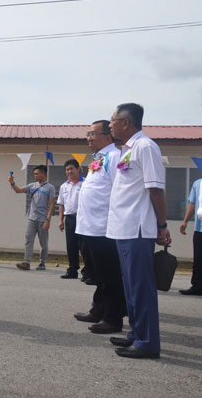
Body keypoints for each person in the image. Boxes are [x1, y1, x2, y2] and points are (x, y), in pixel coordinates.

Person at [107, 103, 170, 359]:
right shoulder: (127, 150)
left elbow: (156, 189)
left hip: (138, 228)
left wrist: (162, 225)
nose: (110, 125)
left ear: (126, 122)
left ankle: (147, 343)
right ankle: (136, 333)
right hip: (124, 228)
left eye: (113, 121)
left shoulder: (145, 147)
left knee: (141, 287)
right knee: (131, 287)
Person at [73, 120, 127, 334]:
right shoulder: (99, 159)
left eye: (92, 134)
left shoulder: (115, 157)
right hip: (88, 227)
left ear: (107, 136)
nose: (88, 138)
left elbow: (120, 190)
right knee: (96, 273)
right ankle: (98, 309)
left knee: (109, 275)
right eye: (87, 133)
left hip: (104, 229)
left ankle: (113, 318)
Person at [9, 165, 55, 270]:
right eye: (34, 173)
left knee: (43, 243)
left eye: (37, 173)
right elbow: (18, 190)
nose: (35, 175)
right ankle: (26, 262)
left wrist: (48, 220)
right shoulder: (32, 185)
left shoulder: (50, 187)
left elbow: (52, 204)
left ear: (44, 174)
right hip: (32, 218)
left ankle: (42, 263)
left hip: (43, 219)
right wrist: (12, 182)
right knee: (28, 240)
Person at [57, 159, 84, 279]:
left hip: (83, 218)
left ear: (78, 169)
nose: (69, 171)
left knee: (84, 245)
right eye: (67, 170)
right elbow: (61, 204)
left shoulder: (86, 183)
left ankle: (87, 271)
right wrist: (60, 220)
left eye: (71, 168)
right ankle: (72, 270)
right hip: (69, 219)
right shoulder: (64, 186)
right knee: (71, 245)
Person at [179, 177, 202, 295]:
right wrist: (185, 221)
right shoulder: (197, 183)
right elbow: (192, 204)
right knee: (198, 259)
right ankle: (197, 286)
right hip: (199, 228)